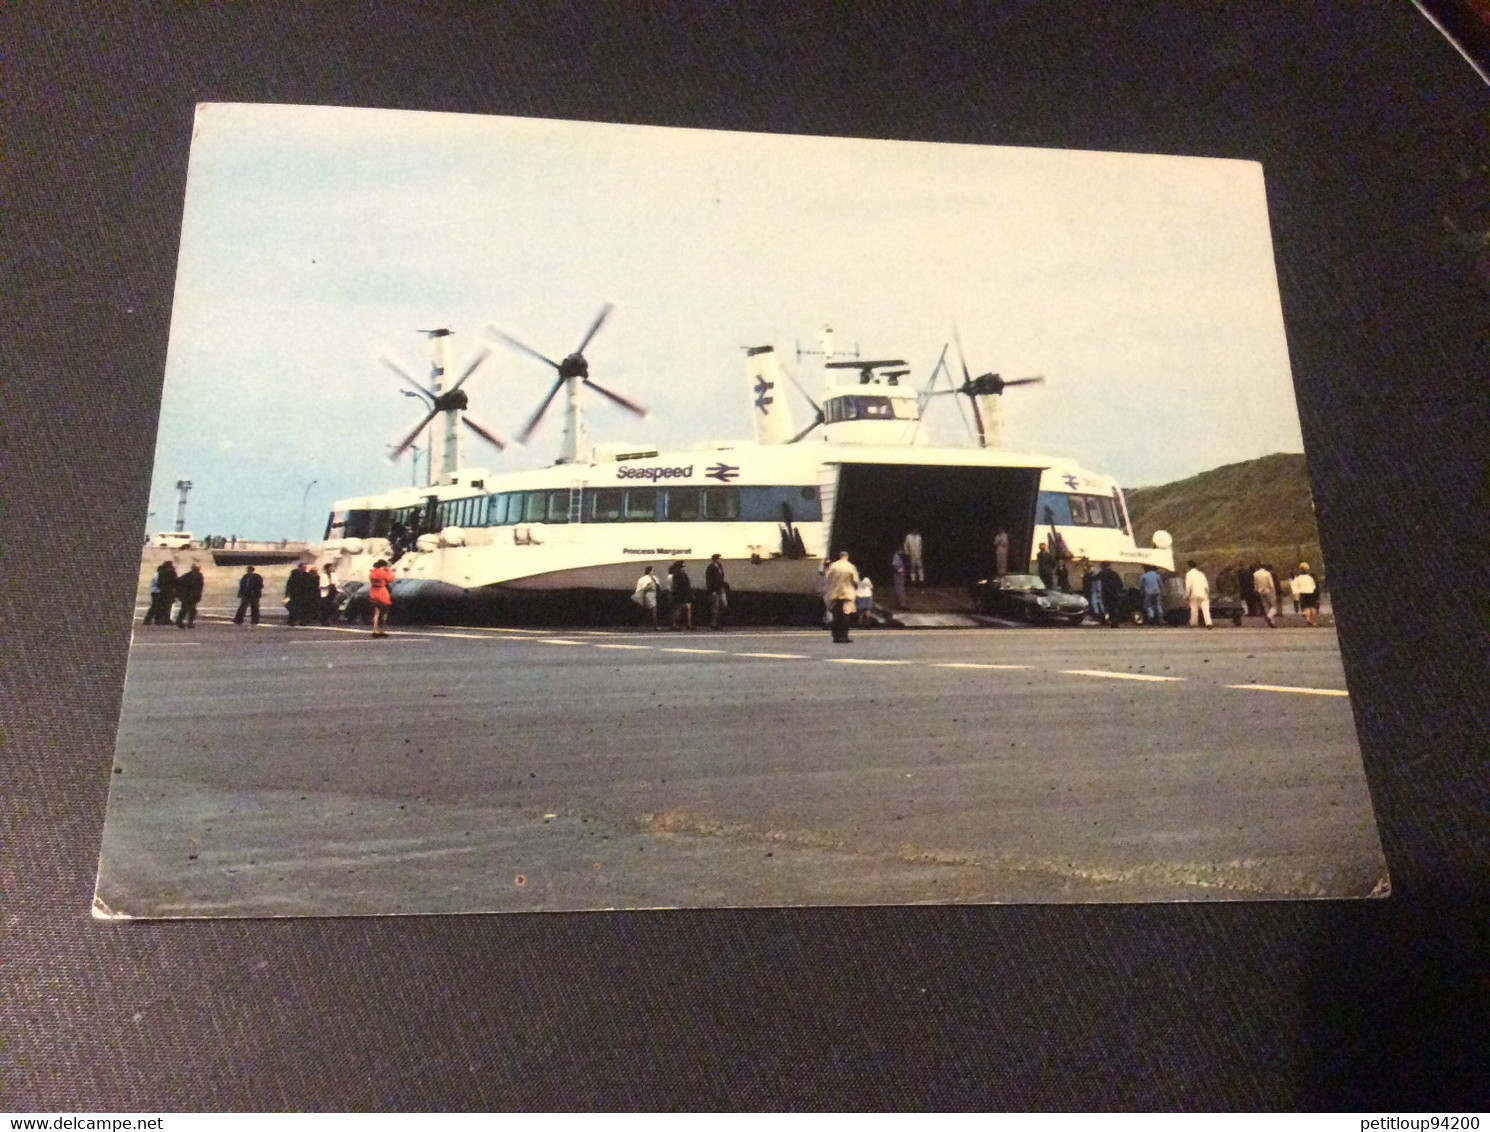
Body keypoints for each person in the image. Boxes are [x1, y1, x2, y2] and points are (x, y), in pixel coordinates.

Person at [824, 550, 860, 643]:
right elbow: (855, 581)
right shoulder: (850, 566)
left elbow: (827, 578)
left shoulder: (833, 566)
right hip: (847, 592)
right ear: (847, 557)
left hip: (835, 593)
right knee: (846, 614)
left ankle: (835, 636)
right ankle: (844, 636)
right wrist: (855, 588)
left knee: (836, 615)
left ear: (840, 556)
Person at [143, 560, 177, 625]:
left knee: (163, 606)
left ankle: (160, 619)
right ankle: (154, 619)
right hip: (159, 592)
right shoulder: (162, 573)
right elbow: (160, 583)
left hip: (162, 591)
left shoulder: (161, 572)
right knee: (158, 606)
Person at [368, 558, 394, 637]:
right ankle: (382, 630)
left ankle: (374, 630)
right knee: (384, 612)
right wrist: (388, 570)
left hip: (373, 592)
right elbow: (390, 579)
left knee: (376, 612)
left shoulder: (372, 573)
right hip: (382, 593)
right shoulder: (383, 572)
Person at [173, 563, 204, 629]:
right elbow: (198, 588)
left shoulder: (187, 575)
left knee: (186, 609)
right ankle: (187, 623)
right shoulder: (198, 576)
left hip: (188, 596)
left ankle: (181, 621)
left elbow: (177, 582)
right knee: (190, 610)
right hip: (190, 596)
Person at [1184, 559, 1212, 628]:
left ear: (1188, 566)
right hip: (1203, 594)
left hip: (1194, 594)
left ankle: (1194, 623)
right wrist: (1207, 594)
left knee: (1194, 609)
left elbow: (1188, 586)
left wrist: (1187, 595)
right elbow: (1206, 586)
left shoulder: (1189, 574)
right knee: (1206, 610)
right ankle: (1208, 623)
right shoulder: (1201, 574)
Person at [704, 553, 729, 630]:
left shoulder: (720, 566)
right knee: (715, 607)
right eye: (718, 558)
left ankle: (720, 621)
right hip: (714, 589)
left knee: (724, 605)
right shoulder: (711, 567)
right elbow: (709, 579)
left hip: (720, 588)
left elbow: (721, 577)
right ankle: (714, 624)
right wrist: (712, 590)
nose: (719, 560)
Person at [668, 561, 694, 630]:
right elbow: (676, 586)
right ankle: (674, 624)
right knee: (678, 610)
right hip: (680, 594)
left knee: (687, 609)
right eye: (682, 567)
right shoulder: (677, 575)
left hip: (685, 594)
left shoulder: (682, 574)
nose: (683, 568)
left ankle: (688, 624)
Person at [1098, 562, 1124, 628]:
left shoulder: (1102, 573)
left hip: (1106, 593)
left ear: (1103, 566)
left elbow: (1095, 579)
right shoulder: (1115, 574)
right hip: (1115, 593)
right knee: (1115, 607)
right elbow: (1120, 583)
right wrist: (1118, 590)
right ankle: (1115, 621)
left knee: (1107, 607)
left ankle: (1107, 620)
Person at [1294, 562, 1319, 626]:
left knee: (1306, 607)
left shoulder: (1298, 578)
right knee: (1313, 607)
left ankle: (1308, 618)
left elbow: (1295, 587)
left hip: (1303, 593)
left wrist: (1296, 595)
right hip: (1311, 593)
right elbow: (1314, 586)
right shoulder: (1310, 577)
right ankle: (1313, 621)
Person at [1252, 563, 1277, 627]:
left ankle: (1272, 622)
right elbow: (1271, 584)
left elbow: (1255, 584)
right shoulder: (1267, 573)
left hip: (1260, 591)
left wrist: (1257, 590)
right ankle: (1269, 617)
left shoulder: (1255, 574)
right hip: (1268, 590)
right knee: (1273, 606)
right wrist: (1272, 590)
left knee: (1266, 606)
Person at [1081, 559, 1104, 625]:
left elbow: (1097, 583)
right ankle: (1096, 616)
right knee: (1093, 604)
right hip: (1089, 590)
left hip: (1093, 591)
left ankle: (1098, 616)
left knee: (1095, 604)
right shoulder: (1089, 575)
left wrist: (1099, 591)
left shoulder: (1094, 575)